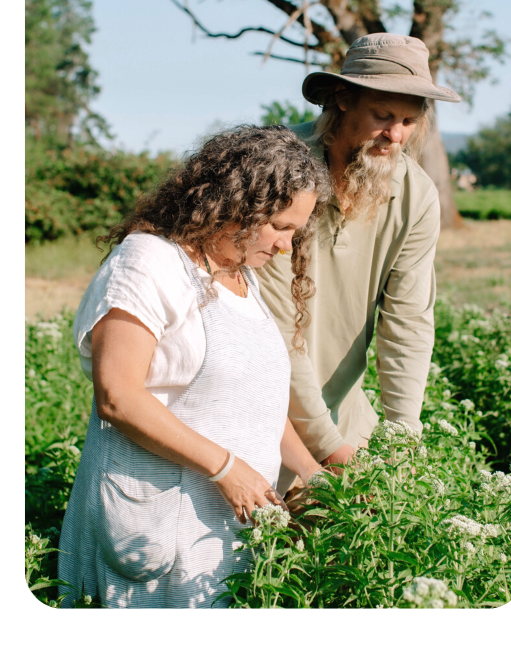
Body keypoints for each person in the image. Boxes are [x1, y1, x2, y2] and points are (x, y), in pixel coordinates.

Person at [58, 125, 331, 609]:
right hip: (156, 527)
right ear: (235, 204)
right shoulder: (147, 263)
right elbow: (117, 395)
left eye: (296, 230)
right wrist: (226, 467)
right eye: (280, 226)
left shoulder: (240, 273)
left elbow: (256, 402)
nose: (288, 246)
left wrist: (310, 470)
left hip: (223, 536)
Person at [255, 34, 462, 497]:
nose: (396, 135)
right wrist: (328, 449)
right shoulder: (277, 173)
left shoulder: (417, 195)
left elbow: (407, 324)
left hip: (343, 417)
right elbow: (276, 330)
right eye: (383, 116)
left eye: (409, 120)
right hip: (256, 415)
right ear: (342, 99)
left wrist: (400, 442)